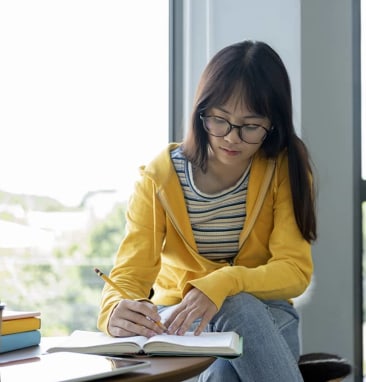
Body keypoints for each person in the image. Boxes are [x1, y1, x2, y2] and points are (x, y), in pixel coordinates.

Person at [97, 40, 316, 382]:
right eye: (219, 120)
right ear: (201, 112)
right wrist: (113, 310)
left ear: (273, 124)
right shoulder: (160, 177)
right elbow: (130, 274)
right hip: (180, 318)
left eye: (250, 126)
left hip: (266, 314)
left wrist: (223, 283)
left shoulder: (285, 167)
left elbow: (294, 271)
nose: (231, 138)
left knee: (234, 308)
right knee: (224, 371)